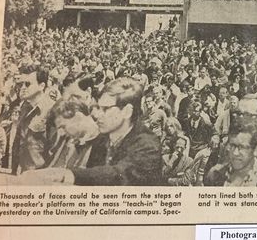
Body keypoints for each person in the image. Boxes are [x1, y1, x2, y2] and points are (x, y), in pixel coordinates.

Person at [18, 78, 163, 185]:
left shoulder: (148, 146)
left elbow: (118, 175)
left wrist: (67, 174)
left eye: (105, 109)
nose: (98, 115)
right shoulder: (103, 139)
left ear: (126, 111)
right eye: (98, 108)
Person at [11, 65, 55, 174]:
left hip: (40, 180)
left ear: (42, 86)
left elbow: (55, 151)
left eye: (28, 84)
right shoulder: (25, 107)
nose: (23, 88)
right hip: (23, 175)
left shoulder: (52, 109)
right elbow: (20, 143)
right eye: (21, 84)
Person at [45, 97, 100, 170]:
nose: (61, 133)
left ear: (78, 117)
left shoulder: (102, 142)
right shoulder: (74, 140)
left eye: (63, 127)